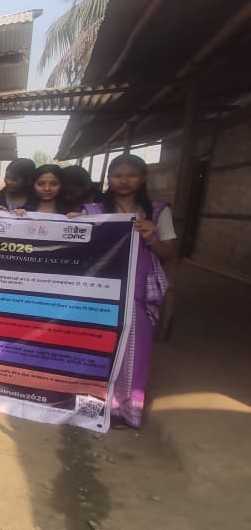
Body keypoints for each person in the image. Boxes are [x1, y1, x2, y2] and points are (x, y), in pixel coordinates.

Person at [79, 155, 175, 429]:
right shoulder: (93, 211)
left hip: (137, 292)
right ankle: (93, 407)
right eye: (117, 175)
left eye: (131, 175)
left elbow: (169, 252)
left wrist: (152, 237)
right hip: (100, 289)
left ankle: (126, 410)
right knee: (96, 345)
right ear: (108, 178)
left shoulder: (157, 212)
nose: (123, 180)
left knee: (136, 349)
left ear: (143, 178)